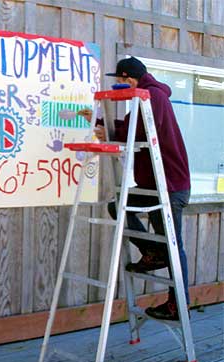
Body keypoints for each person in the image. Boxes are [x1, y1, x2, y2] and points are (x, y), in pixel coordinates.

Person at [79, 57, 191, 321]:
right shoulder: (145, 98)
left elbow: (136, 133)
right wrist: (98, 121)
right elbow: (131, 129)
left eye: (119, 80)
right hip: (154, 185)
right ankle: (154, 252)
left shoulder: (152, 97)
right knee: (117, 205)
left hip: (169, 186)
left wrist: (103, 125)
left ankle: (178, 305)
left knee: (174, 247)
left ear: (129, 78)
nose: (118, 85)